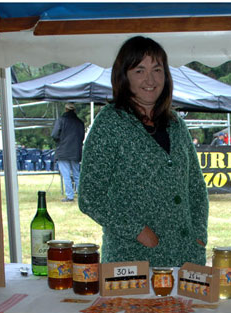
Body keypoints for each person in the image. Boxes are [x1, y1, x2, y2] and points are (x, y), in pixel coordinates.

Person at [78, 36, 208, 266]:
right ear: (124, 76)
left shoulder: (176, 125)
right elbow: (90, 197)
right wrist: (137, 230)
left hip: (185, 259)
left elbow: (196, 188)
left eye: (157, 70)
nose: (150, 79)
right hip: (132, 261)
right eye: (139, 71)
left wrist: (199, 235)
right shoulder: (110, 124)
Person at [51, 103, 85, 202]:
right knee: (77, 174)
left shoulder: (61, 120)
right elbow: (82, 137)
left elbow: (54, 135)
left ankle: (70, 196)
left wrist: (60, 141)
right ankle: (81, 195)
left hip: (63, 151)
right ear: (74, 110)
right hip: (75, 151)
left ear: (66, 109)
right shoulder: (80, 122)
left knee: (66, 175)